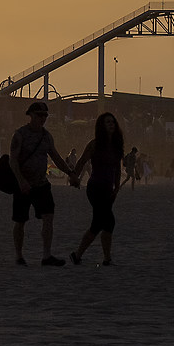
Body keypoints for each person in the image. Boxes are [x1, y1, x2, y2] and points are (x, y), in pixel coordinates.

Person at [8, 101, 66, 267]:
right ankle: (19, 256)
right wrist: (21, 181)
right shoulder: (20, 135)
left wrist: (71, 173)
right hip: (23, 185)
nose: (43, 118)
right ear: (31, 115)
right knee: (20, 221)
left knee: (48, 217)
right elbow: (13, 161)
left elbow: (56, 158)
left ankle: (46, 255)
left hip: (41, 184)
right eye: (40, 115)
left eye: (45, 115)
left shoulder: (47, 136)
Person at [66, 111, 126, 265]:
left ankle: (82, 256)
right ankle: (100, 258)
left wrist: (117, 187)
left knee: (102, 223)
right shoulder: (94, 144)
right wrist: (74, 176)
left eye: (113, 122)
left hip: (108, 189)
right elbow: (81, 161)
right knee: (106, 221)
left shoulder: (117, 145)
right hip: (95, 188)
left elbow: (117, 169)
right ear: (101, 126)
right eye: (107, 122)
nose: (111, 124)